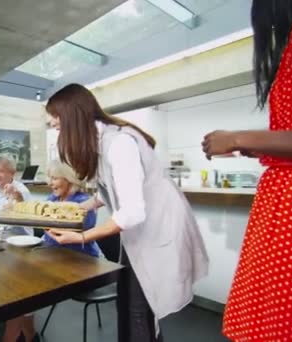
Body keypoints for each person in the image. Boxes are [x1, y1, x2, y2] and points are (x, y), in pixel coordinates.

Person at [44, 84, 208, 342]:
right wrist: (79, 208)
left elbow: (131, 211)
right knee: (130, 304)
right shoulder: (102, 142)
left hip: (157, 230)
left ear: (74, 120)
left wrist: (81, 236)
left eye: (58, 127)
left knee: (138, 309)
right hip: (141, 232)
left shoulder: (119, 143)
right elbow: (110, 189)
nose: (58, 136)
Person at [202, 1, 292, 340]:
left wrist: (239, 137)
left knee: (279, 321)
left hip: (289, 208)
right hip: (281, 203)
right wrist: (250, 145)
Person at [5, 159, 101, 342]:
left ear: (69, 179)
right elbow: (38, 215)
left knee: (22, 284)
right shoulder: (54, 199)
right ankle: (28, 334)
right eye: (49, 178)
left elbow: (79, 226)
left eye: (55, 178)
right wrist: (17, 202)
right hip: (51, 255)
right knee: (16, 276)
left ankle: (14, 335)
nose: (50, 183)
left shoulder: (82, 202)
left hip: (78, 262)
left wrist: (50, 216)